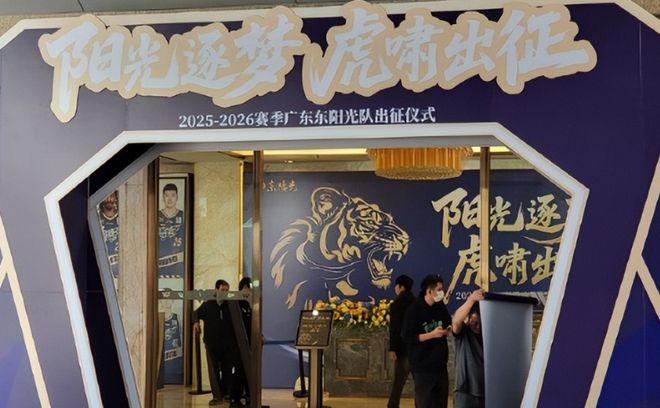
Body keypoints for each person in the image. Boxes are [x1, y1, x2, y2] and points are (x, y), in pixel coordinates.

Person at [402, 274, 451, 408]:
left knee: (441, 402)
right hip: (422, 366)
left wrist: (447, 329)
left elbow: (448, 321)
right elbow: (408, 337)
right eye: (439, 290)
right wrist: (431, 335)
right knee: (425, 402)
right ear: (429, 291)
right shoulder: (414, 310)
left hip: (440, 365)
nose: (441, 293)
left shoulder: (439, 305)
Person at [193, 280, 236, 406]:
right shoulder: (209, 304)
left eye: (227, 290)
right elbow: (195, 313)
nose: (225, 293)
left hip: (227, 344)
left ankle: (225, 393)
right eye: (222, 290)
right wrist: (196, 322)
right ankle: (217, 396)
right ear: (216, 290)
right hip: (212, 344)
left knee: (227, 370)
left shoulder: (230, 306)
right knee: (214, 371)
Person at [452, 289, 486, 408]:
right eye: (474, 322)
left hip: (486, 390)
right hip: (465, 390)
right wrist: (470, 300)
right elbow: (456, 320)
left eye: (481, 323)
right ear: (469, 319)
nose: (478, 327)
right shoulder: (463, 333)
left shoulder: (490, 335)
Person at [387, 274, 415, 408]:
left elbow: (394, 328)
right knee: (420, 383)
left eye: (396, 286)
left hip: (402, 350)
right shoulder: (417, 302)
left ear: (402, 287)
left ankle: (393, 406)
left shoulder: (396, 305)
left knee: (398, 383)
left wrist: (392, 348)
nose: (395, 288)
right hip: (417, 348)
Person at [158, 183, 185, 278]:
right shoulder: (156, 215)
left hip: (178, 264)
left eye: (172, 195)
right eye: (167, 196)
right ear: (163, 197)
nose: (169, 199)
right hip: (160, 263)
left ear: (177, 197)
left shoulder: (183, 215)